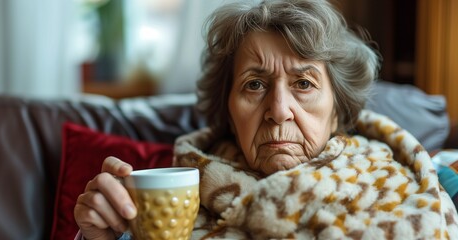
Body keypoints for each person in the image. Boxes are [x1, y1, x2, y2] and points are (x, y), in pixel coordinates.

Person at [74, 0, 458, 239]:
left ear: (338, 110)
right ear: (228, 108)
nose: (278, 110)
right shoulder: (171, 198)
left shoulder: (423, 179)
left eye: (304, 84)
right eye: (255, 84)